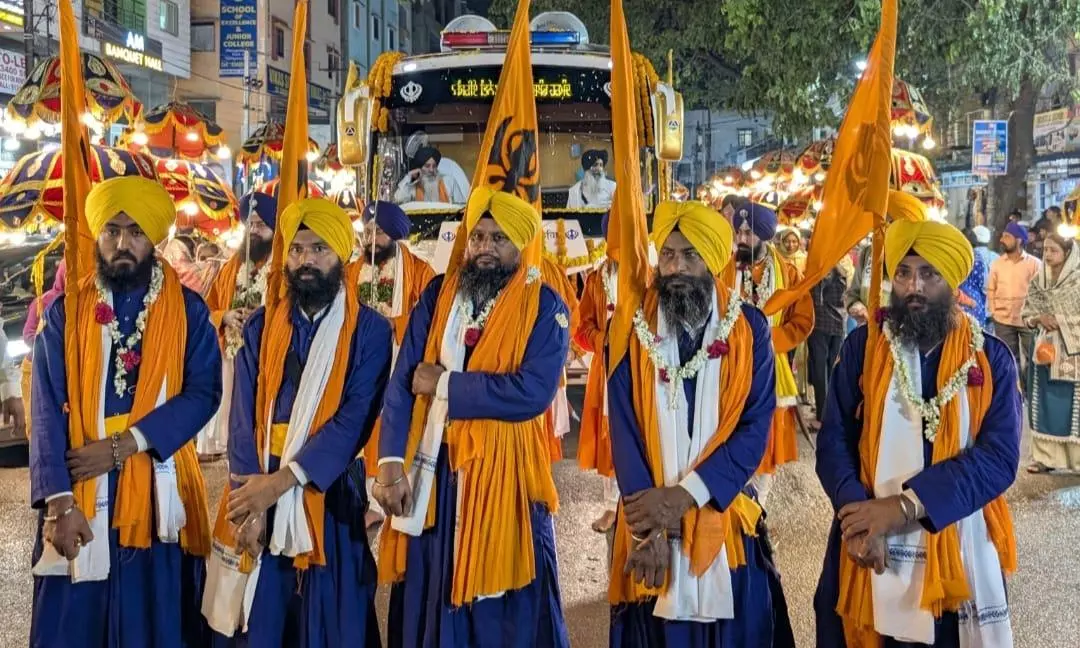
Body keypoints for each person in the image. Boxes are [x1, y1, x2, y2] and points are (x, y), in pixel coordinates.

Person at [30, 175, 222, 647]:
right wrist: (59, 503)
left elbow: (203, 393)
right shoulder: (66, 313)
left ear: (153, 238)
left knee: (153, 619)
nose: (122, 243)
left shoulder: (189, 311)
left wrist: (124, 446)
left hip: (156, 484)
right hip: (79, 488)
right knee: (74, 621)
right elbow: (45, 410)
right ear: (98, 236)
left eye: (135, 232)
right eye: (112, 230)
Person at [375, 188, 571, 647]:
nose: (485, 247)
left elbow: (531, 393)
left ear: (520, 245)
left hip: (509, 477)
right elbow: (404, 380)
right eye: (478, 236)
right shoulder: (438, 295)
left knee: (504, 605)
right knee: (431, 587)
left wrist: (445, 384)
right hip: (436, 472)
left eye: (499, 239)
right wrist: (389, 464)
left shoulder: (545, 306)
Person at [815, 217, 1020, 647]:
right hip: (867, 539)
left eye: (929, 274)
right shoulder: (864, 347)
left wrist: (905, 507)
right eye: (904, 273)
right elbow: (834, 441)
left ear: (953, 281)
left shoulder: (991, 358)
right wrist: (858, 518)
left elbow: (998, 460)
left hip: (955, 542)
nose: (914, 287)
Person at [203, 198, 392, 646]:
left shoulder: (370, 331)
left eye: (319, 249)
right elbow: (241, 419)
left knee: (333, 621)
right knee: (260, 619)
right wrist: (251, 503)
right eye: (297, 249)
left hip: (328, 489)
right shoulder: (261, 326)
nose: (306, 260)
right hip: (256, 485)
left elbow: (353, 422)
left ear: (342, 255)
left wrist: (280, 484)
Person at [606, 201, 793, 647]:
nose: (677, 267)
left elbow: (753, 429)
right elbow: (624, 430)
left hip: (721, 518)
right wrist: (648, 528)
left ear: (712, 259)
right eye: (669, 254)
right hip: (647, 526)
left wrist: (684, 497)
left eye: (690, 255)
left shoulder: (749, 328)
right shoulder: (628, 326)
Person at [347, 200, 435, 529]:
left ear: (395, 235)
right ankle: (365, 496)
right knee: (363, 424)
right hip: (359, 362)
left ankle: (388, 496)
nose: (371, 240)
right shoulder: (351, 272)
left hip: (402, 363)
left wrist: (392, 324)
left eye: (379, 232)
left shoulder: (419, 270)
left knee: (392, 426)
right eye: (367, 232)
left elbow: (430, 317)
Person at [725, 202, 813, 496]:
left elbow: (802, 321)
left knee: (766, 438)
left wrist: (767, 339)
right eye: (739, 232)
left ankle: (759, 504)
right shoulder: (724, 270)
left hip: (771, 367)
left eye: (748, 233)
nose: (742, 238)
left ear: (764, 236)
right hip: (731, 366)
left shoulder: (787, 274)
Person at [198, 189, 277, 458]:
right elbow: (208, 309)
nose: (254, 231)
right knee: (234, 425)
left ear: (274, 229)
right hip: (232, 355)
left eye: (261, 225)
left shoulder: (280, 267)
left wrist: (263, 317)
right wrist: (226, 316)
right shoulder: (232, 266)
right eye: (250, 225)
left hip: (267, 357)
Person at [574, 212, 620, 533]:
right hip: (606, 369)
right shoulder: (595, 280)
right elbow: (582, 328)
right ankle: (611, 506)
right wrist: (605, 340)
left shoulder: (649, 276)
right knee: (609, 435)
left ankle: (637, 502)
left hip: (643, 370)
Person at [1022, 232, 1080, 473]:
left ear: (1067, 253)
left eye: (1053, 250)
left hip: (1073, 353)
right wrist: (1039, 318)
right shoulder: (1039, 281)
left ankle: (1076, 460)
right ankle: (1044, 458)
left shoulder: (1077, 281)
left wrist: (1060, 320)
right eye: (1045, 249)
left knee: (1071, 407)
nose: (1047, 255)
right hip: (1044, 353)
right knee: (1043, 405)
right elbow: (1026, 315)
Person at [988, 221, 1041, 385]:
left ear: (1018, 240)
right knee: (1008, 357)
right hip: (1003, 320)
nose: (1002, 239)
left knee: (1033, 358)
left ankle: (1028, 390)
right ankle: (1013, 391)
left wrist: (1036, 316)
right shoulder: (997, 263)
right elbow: (991, 289)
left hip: (1028, 321)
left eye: (1007, 236)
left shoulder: (1034, 264)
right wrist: (994, 311)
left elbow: (1040, 292)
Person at [808, 263, 848, 430]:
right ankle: (832, 413)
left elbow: (816, 301)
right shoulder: (842, 273)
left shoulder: (820, 272)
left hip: (820, 325)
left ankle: (822, 416)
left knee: (820, 371)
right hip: (838, 326)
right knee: (833, 370)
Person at [394, 146, 468, 205]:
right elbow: (397, 199)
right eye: (427, 166)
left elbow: (461, 205)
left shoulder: (449, 181)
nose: (431, 170)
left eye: (434, 166)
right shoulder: (413, 185)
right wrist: (409, 178)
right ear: (419, 168)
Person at [958, 227, 992, 328]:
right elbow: (983, 285)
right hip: (975, 303)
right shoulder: (978, 257)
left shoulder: (954, 256)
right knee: (975, 334)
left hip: (956, 302)